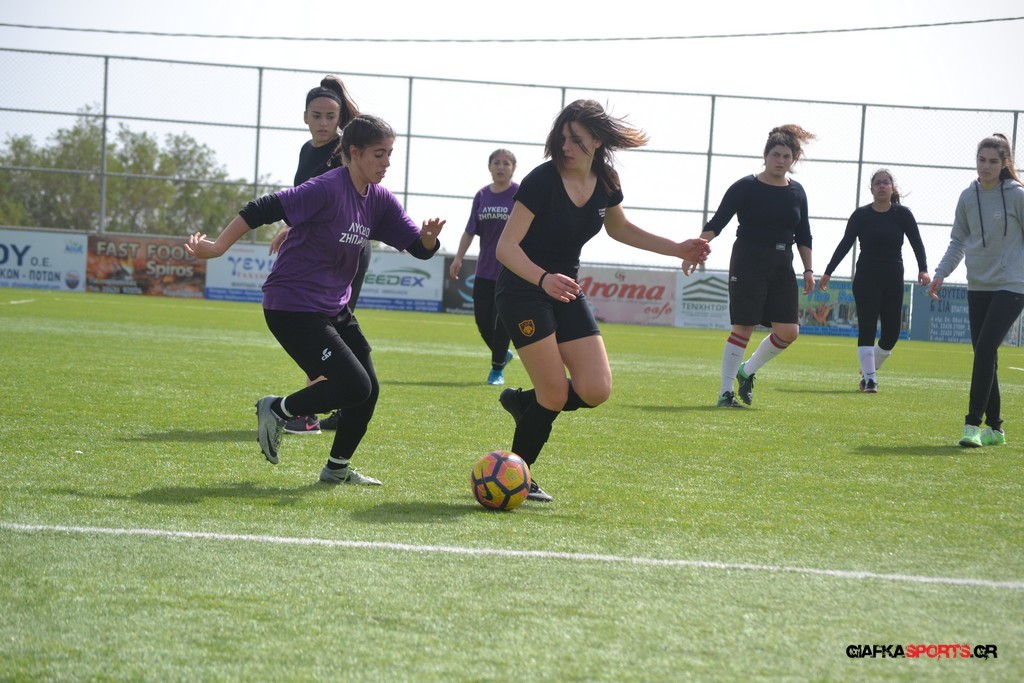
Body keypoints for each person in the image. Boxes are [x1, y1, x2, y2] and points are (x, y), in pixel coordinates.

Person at [185, 114, 446, 484]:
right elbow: (262, 208)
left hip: (333, 308)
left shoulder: (379, 199)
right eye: (379, 154)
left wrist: (429, 239)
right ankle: (278, 409)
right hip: (292, 306)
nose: (387, 162)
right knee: (354, 386)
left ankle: (336, 469)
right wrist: (217, 247)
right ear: (354, 152)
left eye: (390, 154)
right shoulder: (327, 187)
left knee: (368, 390)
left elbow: (419, 249)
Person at [494, 99, 710, 502]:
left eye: (576, 139)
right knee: (554, 394)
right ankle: (518, 477)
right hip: (524, 290)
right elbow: (505, 248)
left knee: (595, 389)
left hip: (565, 290)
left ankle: (524, 403)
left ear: (597, 140)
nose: (566, 146)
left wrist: (677, 248)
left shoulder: (606, 180)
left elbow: (621, 229)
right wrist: (542, 279)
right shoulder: (541, 180)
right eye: (562, 138)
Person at [684, 124, 816, 408]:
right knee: (743, 328)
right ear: (765, 155)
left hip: (783, 264)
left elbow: (804, 234)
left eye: (787, 156)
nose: (780, 160)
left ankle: (747, 370)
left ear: (793, 160)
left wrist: (808, 270)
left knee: (789, 332)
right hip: (749, 260)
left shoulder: (798, 192)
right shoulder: (746, 186)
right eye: (776, 154)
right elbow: (717, 223)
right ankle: (725, 393)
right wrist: (693, 251)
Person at [270, 75, 365, 435]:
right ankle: (340, 405)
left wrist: (293, 227)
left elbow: (342, 202)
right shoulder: (306, 150)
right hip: (316, 253)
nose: (323, 123)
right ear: (305, 117)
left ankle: (310, 411)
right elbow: (303, 200)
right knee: (321, 333)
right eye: (316, 115)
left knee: (322, 332)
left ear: (340, 119)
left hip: (345, 250)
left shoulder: (345, 152)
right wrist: (289, 226)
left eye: (330, 116)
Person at [928, 134, 1024, 448]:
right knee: (985, 353)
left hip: (1012, 286)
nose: (986, 166)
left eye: (993, 161)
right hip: (978, 285)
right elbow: (958, 241)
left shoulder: (1017, 195)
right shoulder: (967, 197)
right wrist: (940, 274)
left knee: (984, 349)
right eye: (981, 160)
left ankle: (972, 424)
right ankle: (995, 429)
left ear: (1005, 163)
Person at [819, 169, 929, 393]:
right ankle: (870, 380)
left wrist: (923, 269)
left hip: (893, 277)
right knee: (867, 328)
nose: (881, 186)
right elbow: (845, 243)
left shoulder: (902, 214)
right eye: (877, 183)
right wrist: (828, 271)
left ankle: (869, 369)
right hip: (866, 277)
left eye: (886, 182)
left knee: (891, 334)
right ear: (871, 189)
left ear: (892, 188)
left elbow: (916, 242)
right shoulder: (861, 215)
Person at [449, 148, 519, 385]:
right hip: (485, 270)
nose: (501, 167)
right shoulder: (482, 195)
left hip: (510, 271)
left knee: (502, 323)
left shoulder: (520, 194)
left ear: (513, 168)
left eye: (506, 163)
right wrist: (458, 258)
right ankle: (502, 354)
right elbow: (470, 230)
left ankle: (497, 369)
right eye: (496, 162)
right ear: (489, 167)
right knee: (483, 323)